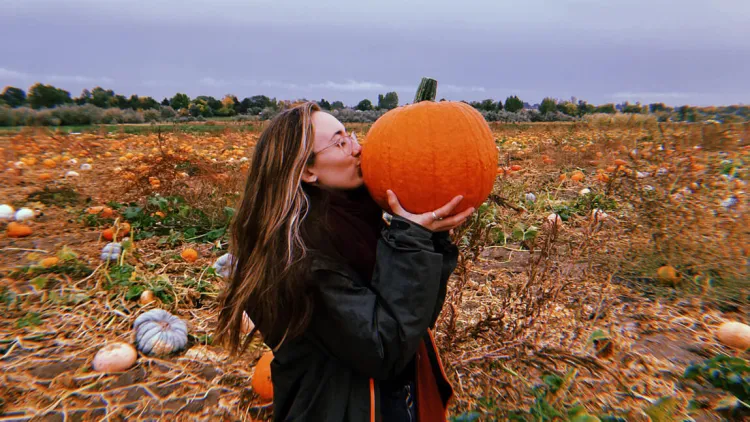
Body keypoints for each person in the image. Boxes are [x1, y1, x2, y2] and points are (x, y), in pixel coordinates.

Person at [215, 102, 475, 421]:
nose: (358, 148)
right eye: (340, 142)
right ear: (307, 171)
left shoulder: (356, 221)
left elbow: (415, 321)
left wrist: (428, 238)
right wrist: (411, 242)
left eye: (350, 135)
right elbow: (384, 348)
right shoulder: (300, 259)